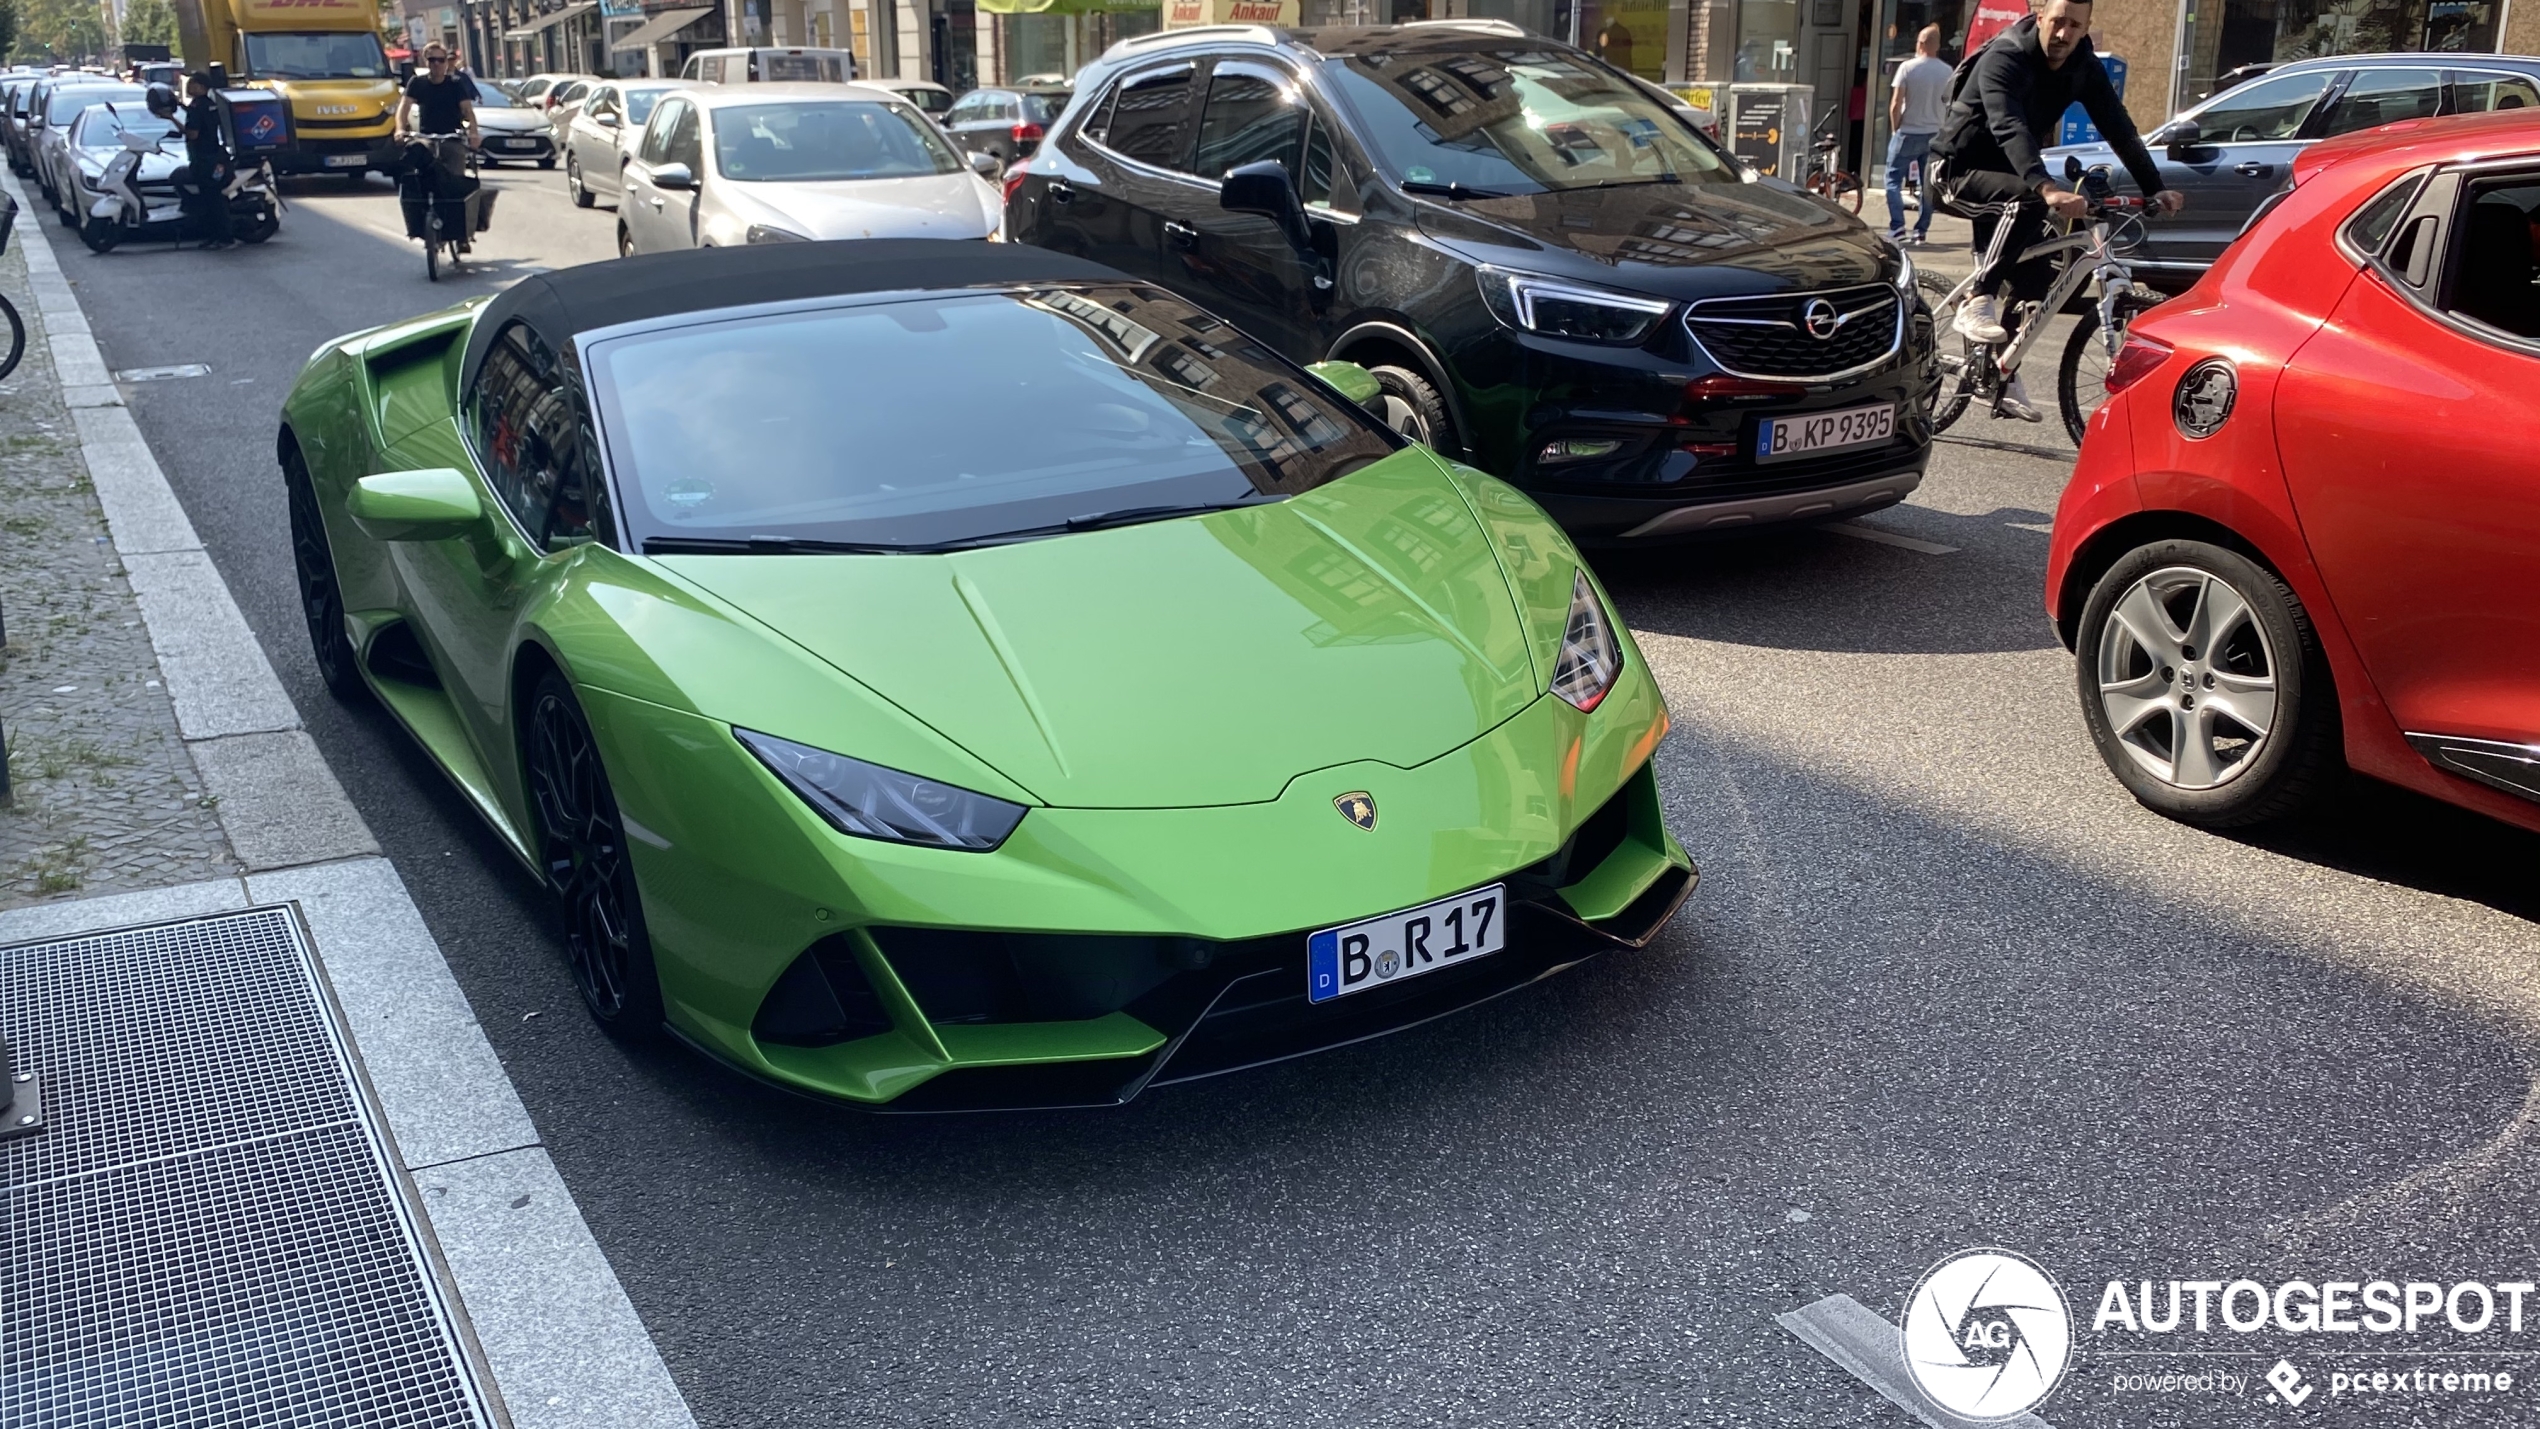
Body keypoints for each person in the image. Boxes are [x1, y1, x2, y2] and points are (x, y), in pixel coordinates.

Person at [1927, 0, 2183, 419]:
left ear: (2087, 28)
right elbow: (2007, 124)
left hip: (2011, 181)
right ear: (2040, 17)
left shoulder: (2081, 65)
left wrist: (2156, 187)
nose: (2064, 34)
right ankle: (1978, 298)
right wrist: (2045, 186)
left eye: (2074, 25)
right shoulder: (2006, 56)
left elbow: (2118, 126)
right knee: (2028, 202)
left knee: (2040, 271)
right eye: (2058, 22)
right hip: (1956, 171)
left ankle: (1999, 375)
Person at [1884, 26, 1949, 247]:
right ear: (1937, 46)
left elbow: (1895, 103)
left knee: (1892, 181)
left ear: (1919, 44)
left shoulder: (1907, 68)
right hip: (1934, 134)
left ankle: (1897, 227)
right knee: (1927, 185)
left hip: (1908, 132)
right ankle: (1920, 231)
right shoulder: (1948, 71)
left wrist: (1896, 128)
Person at [395, 43, 479, 182]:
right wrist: (400, 130)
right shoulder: (417, 82)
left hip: (451, 137)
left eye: (441, 60)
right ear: (425, 62)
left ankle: (454, 198)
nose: (437, 64)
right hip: (426, 137)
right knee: (419, 161)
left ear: (446, 62)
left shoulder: (455, 84)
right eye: (432, 60)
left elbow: (468, 110)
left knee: (456, 173)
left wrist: (474, 133)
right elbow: (404, 108)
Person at [178, 73, 236, 251]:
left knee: (213, 200)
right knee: (213, 199)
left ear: (202, 87)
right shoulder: (210, 105)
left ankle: (224, 238)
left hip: (205, 159)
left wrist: (172, 120)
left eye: (193, 84)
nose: (189, 87)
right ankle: (215, 237)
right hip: (215, 156)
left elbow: (193, 134)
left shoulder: (197, 107)